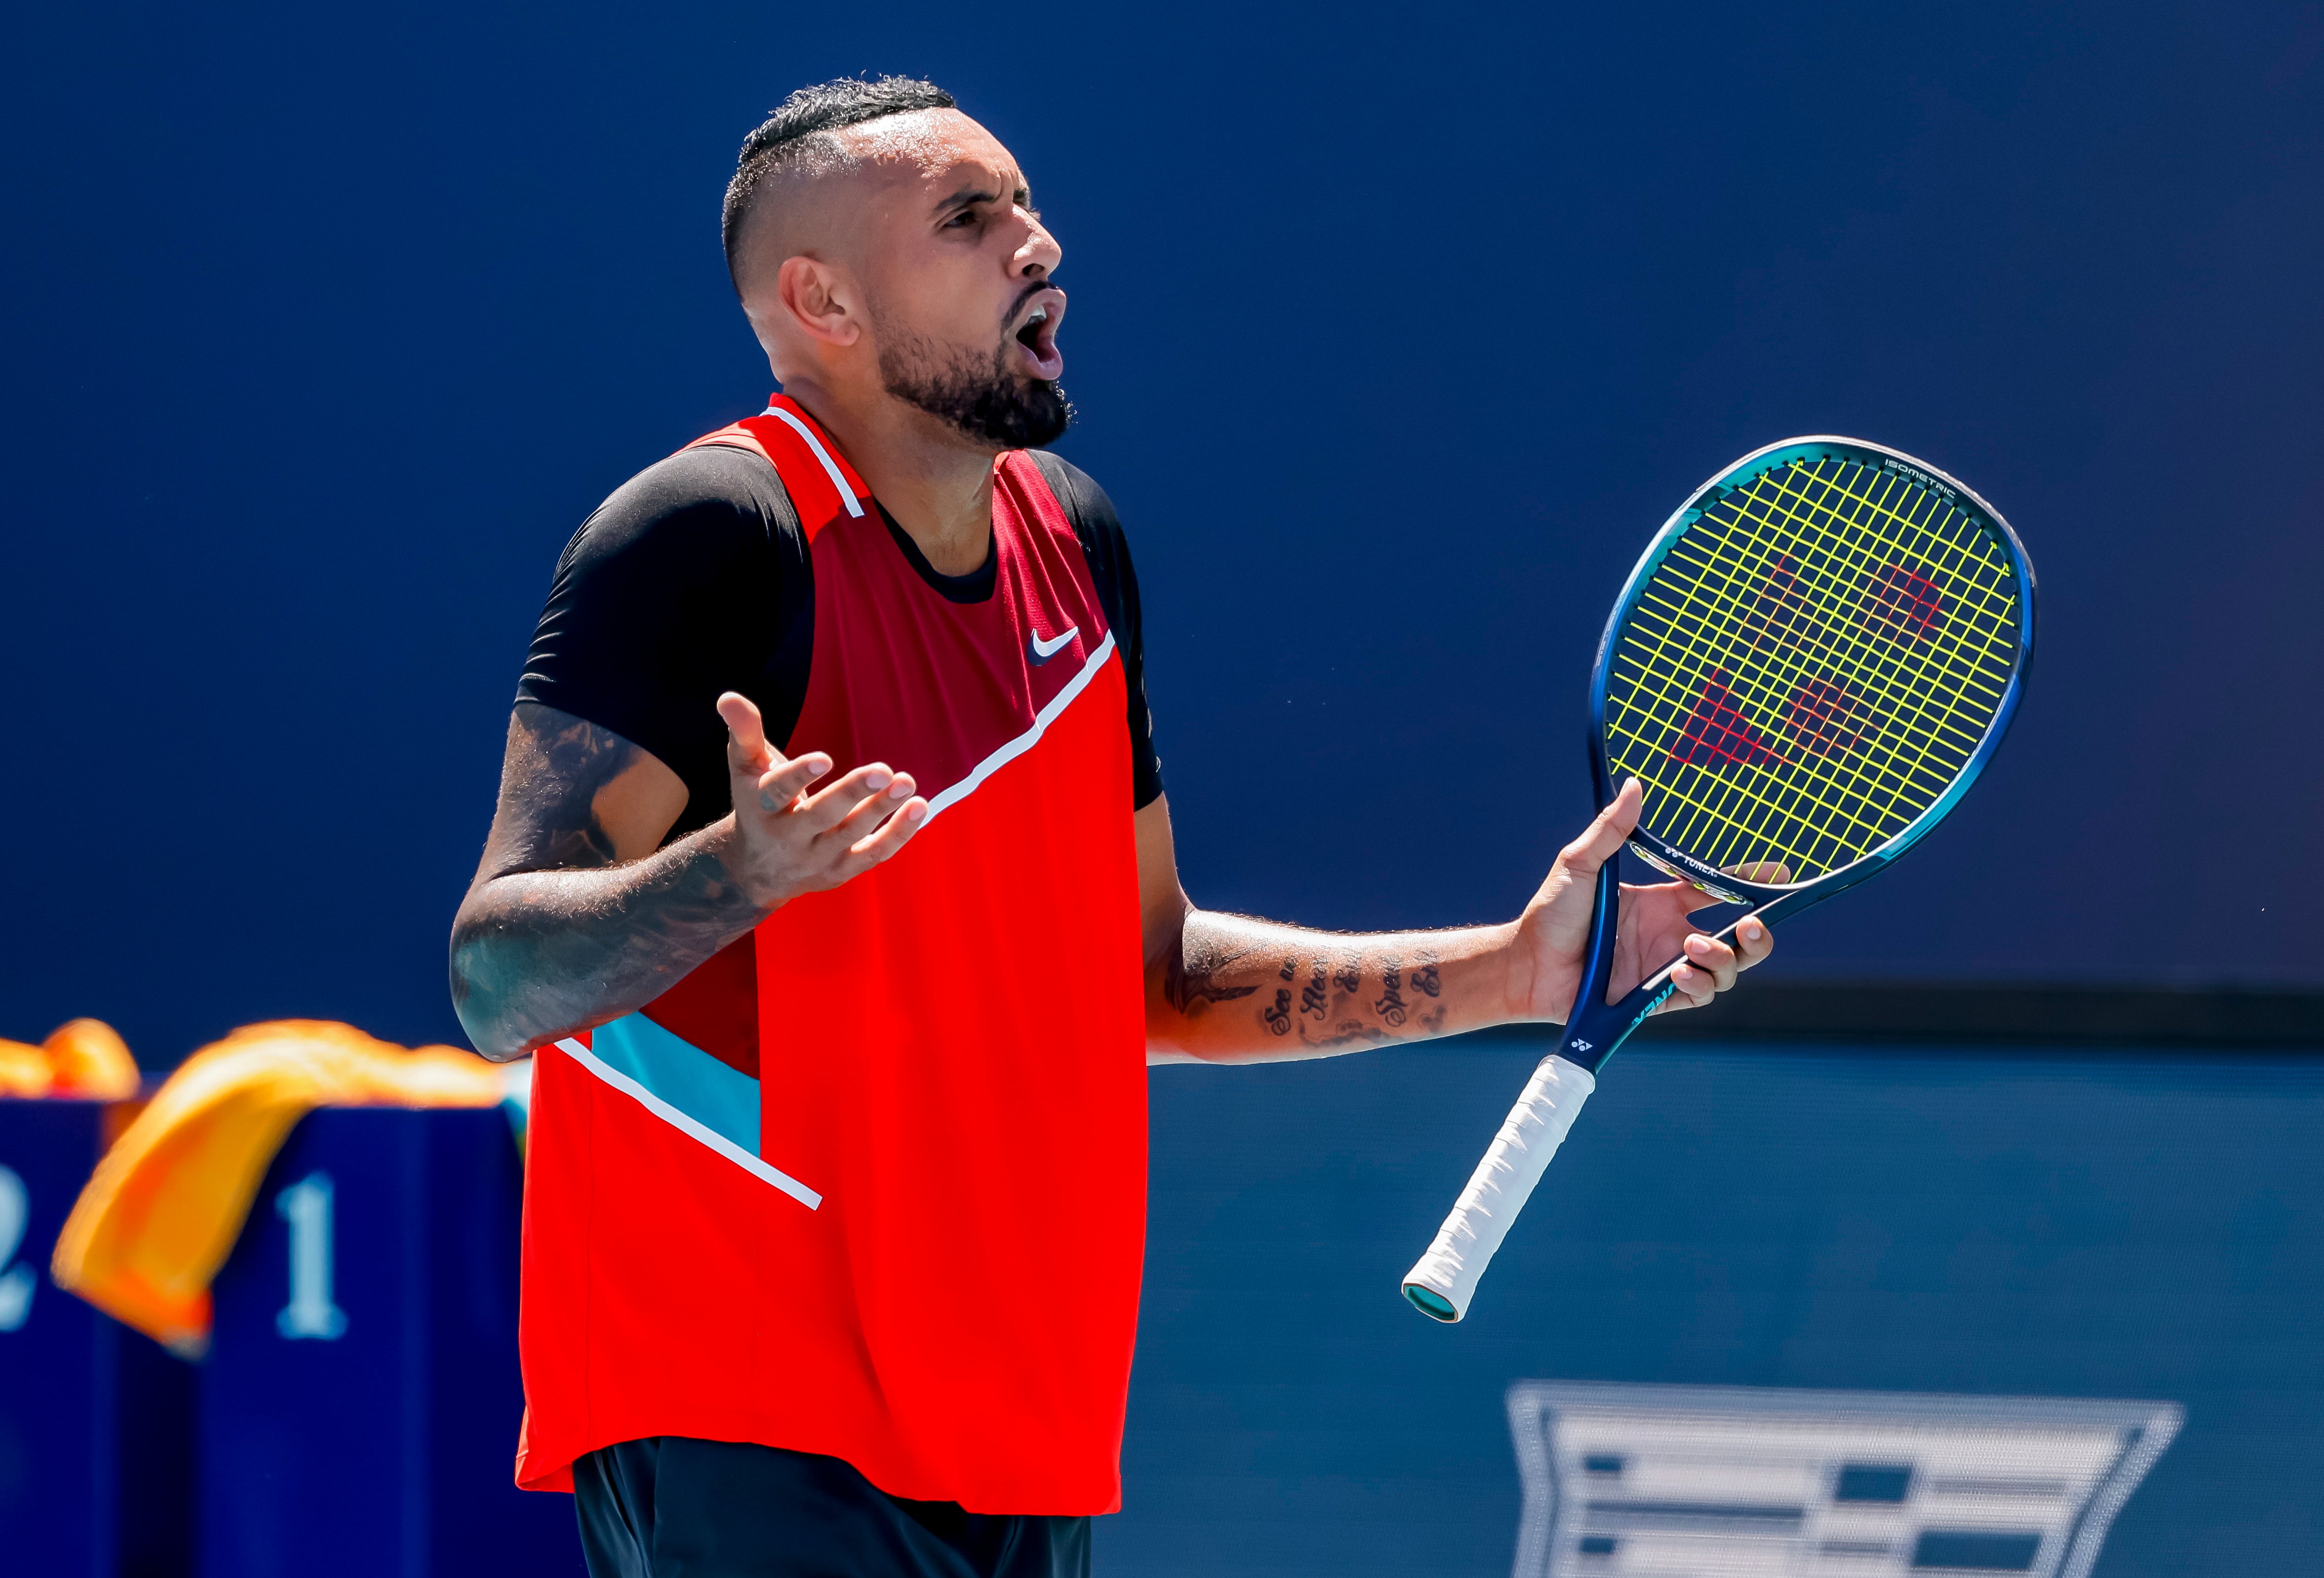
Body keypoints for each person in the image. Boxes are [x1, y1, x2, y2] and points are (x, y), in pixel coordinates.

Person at [447, 74, 1774, 1578]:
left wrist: (1514, 974)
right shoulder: (703, 537)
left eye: (1024, 204)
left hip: (1020, 1424)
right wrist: (734, 869)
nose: (1040, 244)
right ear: (819, 298)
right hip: (744, 1404)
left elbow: (1145, 971)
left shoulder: (1073, 542)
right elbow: (497, 981)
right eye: (970, 218)